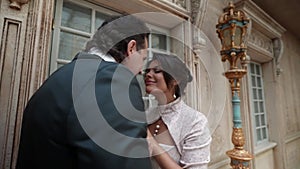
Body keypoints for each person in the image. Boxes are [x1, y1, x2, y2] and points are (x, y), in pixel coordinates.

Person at [16, 15, 152, 169]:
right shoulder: (115, 81)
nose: (141, 71)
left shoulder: (58, 78)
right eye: (143, 59)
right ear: (131, 48)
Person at [144, 53, 211, 169]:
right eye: (147, 71)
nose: (148, 75)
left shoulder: (195, 122)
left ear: (176, 79)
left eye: (157, 70)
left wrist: (151, 141)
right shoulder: (145, 115)